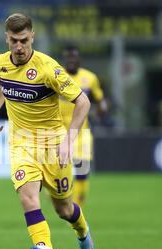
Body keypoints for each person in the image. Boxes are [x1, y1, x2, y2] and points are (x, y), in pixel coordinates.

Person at [0, 13, 94, 249]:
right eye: (14, 41)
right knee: (28, 198)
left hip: (53, 145)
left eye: (24, 40)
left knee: (64, 209)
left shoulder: (48, 68)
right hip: (21, 143)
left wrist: (69, 139)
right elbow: (2, 82)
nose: (19, 47)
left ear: (32, 36)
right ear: (6, 39)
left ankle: (82, 233)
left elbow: (83, 102)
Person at [59, 45, 109, 207]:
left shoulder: (90, 78)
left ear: (79, 59)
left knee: (82, 172)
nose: (71, 61)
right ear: (65, 59)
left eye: (74, 58)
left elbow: (100, 101)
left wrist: (101, 110)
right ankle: (59, 198)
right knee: (56, 173)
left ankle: (76, 207)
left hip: (81, 132)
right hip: (58, 132)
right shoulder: (57, 75)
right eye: (69, 58)